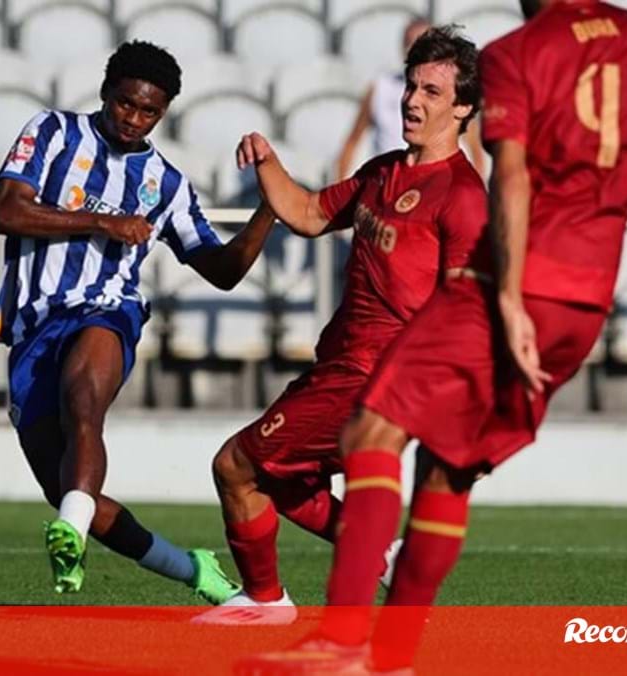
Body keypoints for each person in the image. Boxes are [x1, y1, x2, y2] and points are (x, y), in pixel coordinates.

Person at [255, 1, 627, 672]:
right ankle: (390, 657)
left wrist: (507, 297)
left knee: (372, 432)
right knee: (445, 470)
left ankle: (343, 643)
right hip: (587, 303)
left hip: (517, 283)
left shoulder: (515, 55)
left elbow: (510, 176)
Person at [194, 26, 488, 625]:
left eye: (432, 92)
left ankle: (266, 600)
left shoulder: (462, 196)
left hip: (373, 380)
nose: (412, 101)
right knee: (283, 483)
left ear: (463, 108)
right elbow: (305, 213)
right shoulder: (383, 171)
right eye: (411, 86)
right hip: (340, 365)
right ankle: (385, 557)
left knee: (236, 465)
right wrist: (269, 162)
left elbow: (466, 310)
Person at [0, 40, 276, 601]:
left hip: (106, 309)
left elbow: (221, 270)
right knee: (66, 487)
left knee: (83, 402)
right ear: (106, 92)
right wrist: (101, 222)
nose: (134, 119)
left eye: (149, 112)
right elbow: (7, 211)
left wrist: (270, 210)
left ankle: (68, 533)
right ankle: (193, 570)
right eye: (126, 104)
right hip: (32, 325)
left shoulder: (165, 184)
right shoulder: (51, 132)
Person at [337, 17, 488, 179]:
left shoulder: (453, 91)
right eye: (410, 43)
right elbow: (352, 141)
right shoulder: (381, 87)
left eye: (431, 92)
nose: (412, 101)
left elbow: (474, 145)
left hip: (436, 182)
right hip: (388, 183)